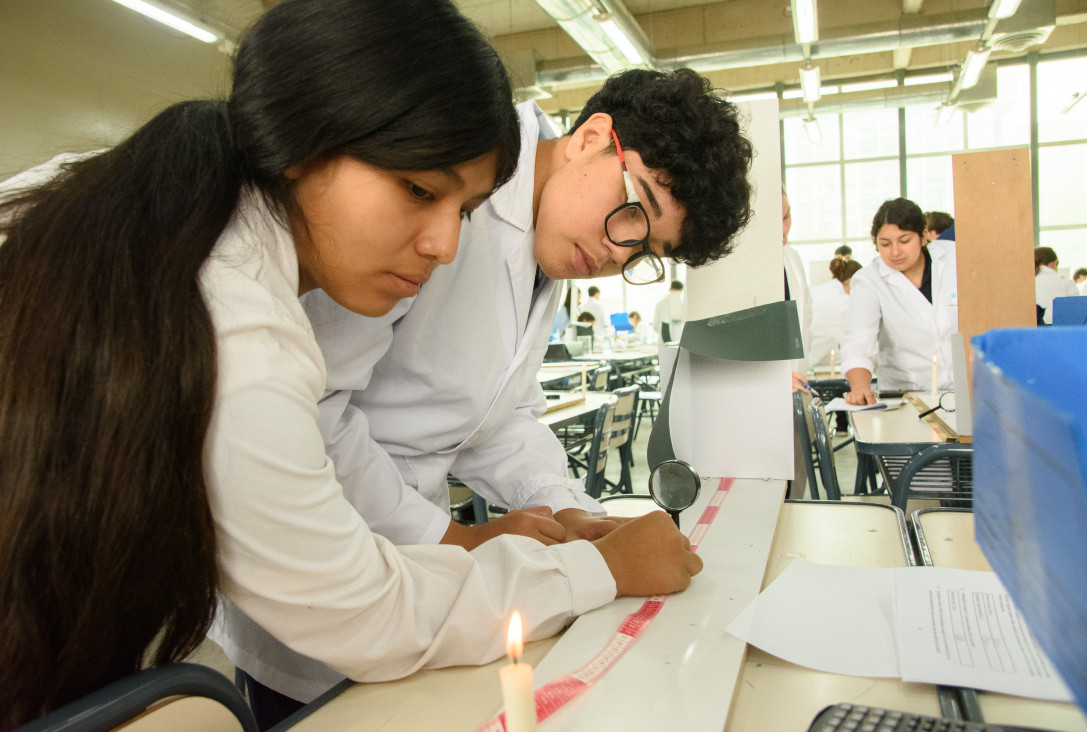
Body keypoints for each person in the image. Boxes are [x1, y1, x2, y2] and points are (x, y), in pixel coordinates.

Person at [0, 2, 704, 728]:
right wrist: (589, 570)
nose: (444, 247)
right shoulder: (243, 332)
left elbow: (498, 418)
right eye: (420, 191)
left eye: (465, 211)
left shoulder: (192, 225)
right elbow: (363, 606)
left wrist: (563, 518)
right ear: (303, 137)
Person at [293, 65, 751, 713]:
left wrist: (565, 511)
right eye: (636, 210)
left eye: (646, 249)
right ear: (592, 137)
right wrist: (455, 540)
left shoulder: (553, 238)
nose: (620, 253)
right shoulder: (451, 187)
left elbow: (499, 418)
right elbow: (314, 410)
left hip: (415, 579)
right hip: (320, 567)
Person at [843, 198, 958, 405]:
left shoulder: (954, 257)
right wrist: (860, 388)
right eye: (885, 244)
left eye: (904, 241)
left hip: (964, 392)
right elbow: (858, 343)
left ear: (923, 236)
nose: (895, 252)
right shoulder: (869, 280)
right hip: (907, 398)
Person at [809, 257, 863, 371]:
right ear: (853, 280)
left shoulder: (820, 289)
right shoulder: (843, 303)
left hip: (802, 351)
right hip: (807, 356)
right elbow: (854, 342)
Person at [782, 185, 813, 379]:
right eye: (774, 221)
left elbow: (805, 324)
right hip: (755, 389)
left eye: (786, 217)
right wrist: (777, 379)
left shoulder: (792, 258)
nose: (784, 230)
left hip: (794, 381)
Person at [1034, 246, 1079, 325]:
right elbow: (1077, 308)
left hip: (1036, 326)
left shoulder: (1031, 282)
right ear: (1056, 262)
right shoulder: (1066, 282)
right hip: (1062, 326)